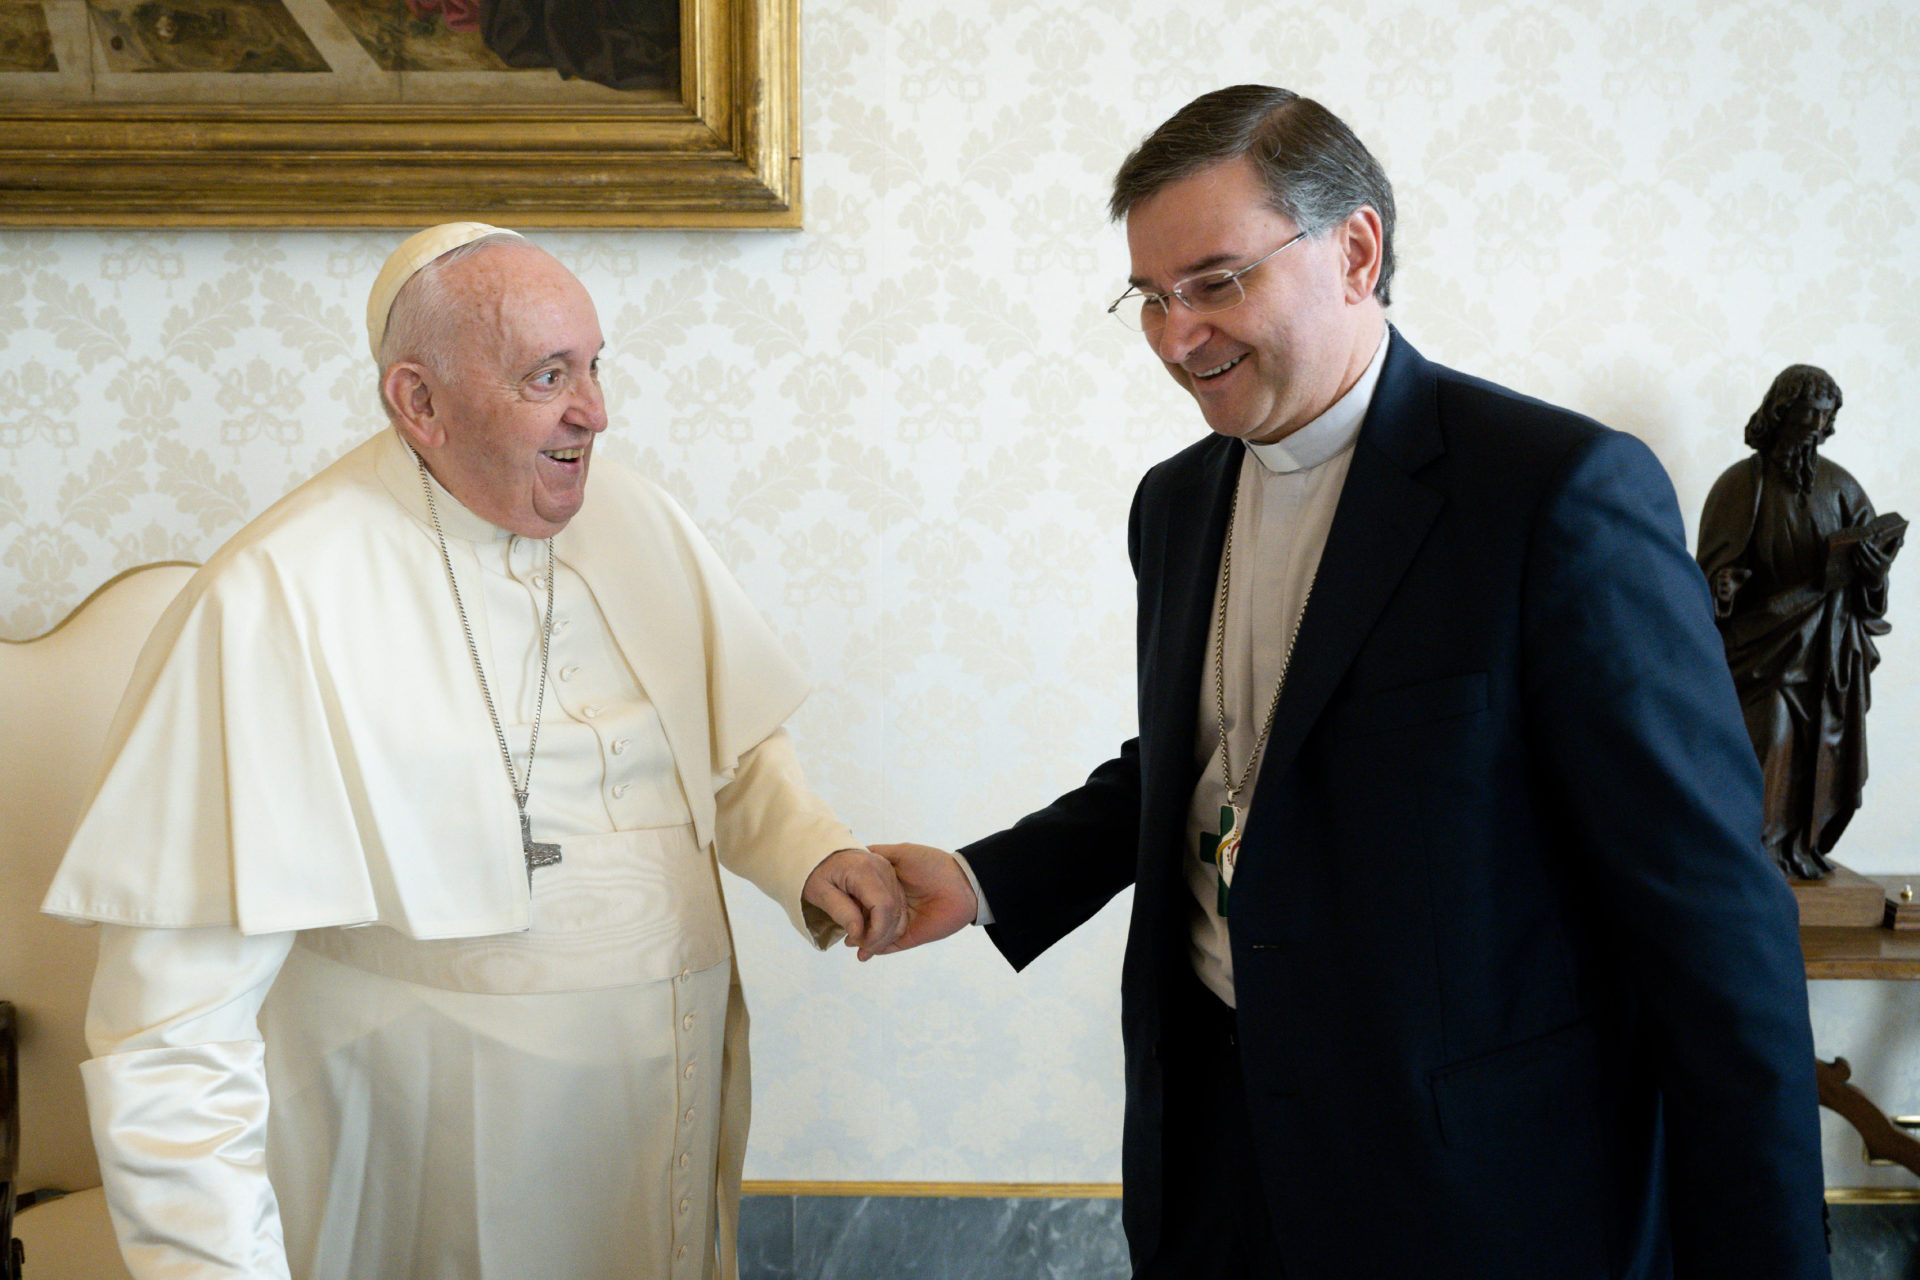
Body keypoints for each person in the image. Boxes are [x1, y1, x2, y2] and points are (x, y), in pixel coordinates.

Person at [876, 87, 1830, 1279]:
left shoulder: (1555, 494)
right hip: (1213, 1154)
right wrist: (985, 880)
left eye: (1216, 282)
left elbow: (1712, 924)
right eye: (1151, 297)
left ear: (1356, 252)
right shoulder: (1175, 502)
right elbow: (1217, 758)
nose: (1176, 337)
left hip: (1469, 1189)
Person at [44, 223, 902, 1280]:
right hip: (429, 1152)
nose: (595, 410)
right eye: (548, 376)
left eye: (594, 366)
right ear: (419, 402)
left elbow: (723, 738)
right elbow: (170, 1028)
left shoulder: (635, 516)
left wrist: (808, 848)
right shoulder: (274, 596)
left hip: (662, 1107)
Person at [1697, 365, 1902, 879]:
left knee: (1821, 754)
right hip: (1762, 647)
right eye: (1807, 412)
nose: (1815, 425)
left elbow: (1872, 594)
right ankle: (1755, 855)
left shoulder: (1842, 487)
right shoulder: (1742, 484)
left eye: (1825, 416)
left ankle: (1799, 849)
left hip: (1828, 648)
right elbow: (1709, 572)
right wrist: (1722, 586)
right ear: (1781, 411)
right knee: (1770, 738)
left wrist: (1872, 574)